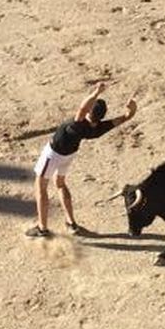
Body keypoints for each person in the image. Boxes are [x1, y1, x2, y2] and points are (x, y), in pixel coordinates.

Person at [29, 82, 137, 238]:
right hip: (68, 156)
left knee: (40, 188)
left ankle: (42, 228)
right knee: (60, 184)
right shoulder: (98, 128)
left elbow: (82, 108)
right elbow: (126, 118)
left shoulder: (78, 123)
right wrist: (132, 108)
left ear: (89, 113)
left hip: (52, 155)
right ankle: (71, 223)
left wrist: (96, 92)